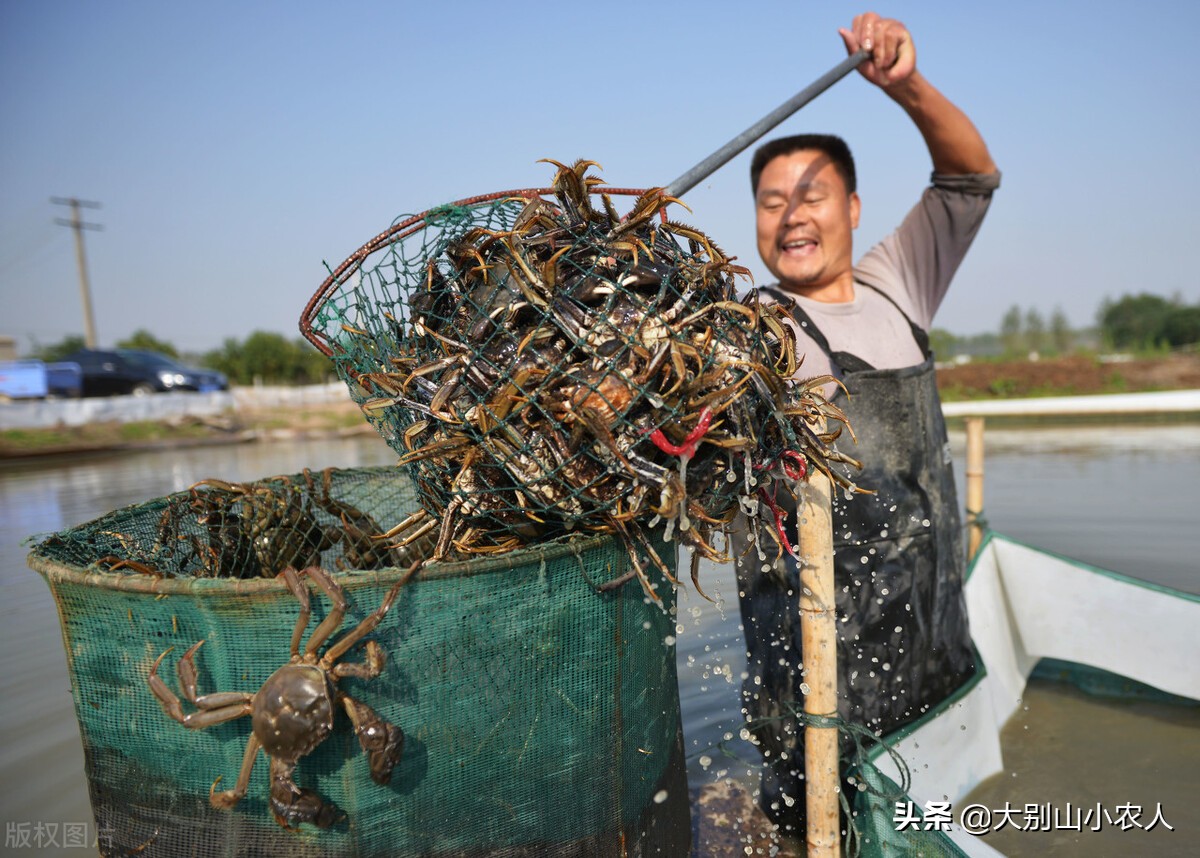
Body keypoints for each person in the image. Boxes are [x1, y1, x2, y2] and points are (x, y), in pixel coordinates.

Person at [733, 12, 1000, 836]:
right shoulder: (750, 330)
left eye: (810, 196)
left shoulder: (898, 282)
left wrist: (906, 87)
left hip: (930, 637)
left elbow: (971, 178)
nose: (790, 216)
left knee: (933, 822)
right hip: (818, 672)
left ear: (852, 207)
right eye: (770, 203)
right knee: (823, 830)